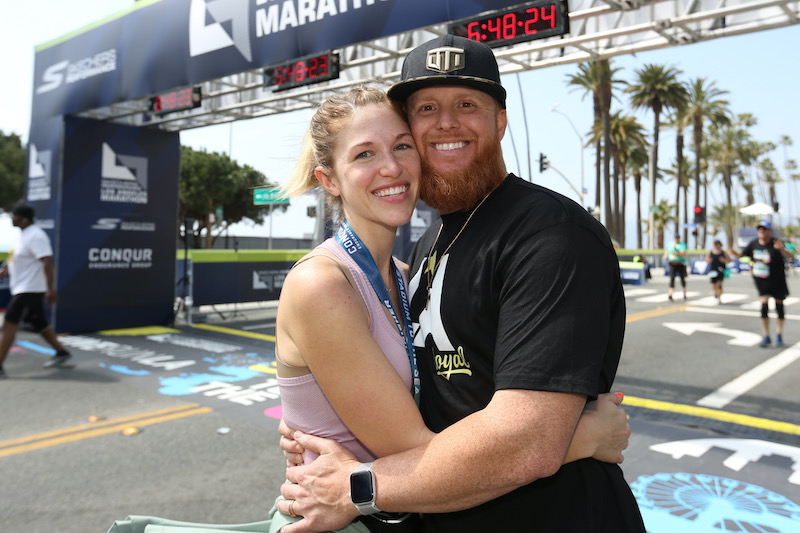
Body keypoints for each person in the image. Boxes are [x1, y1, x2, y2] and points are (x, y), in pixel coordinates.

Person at [104, 87, 630, 533]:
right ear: (328, 180)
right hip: (347, 518)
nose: (392, 167)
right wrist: (582, 437)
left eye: (401, 146)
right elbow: (421, 449)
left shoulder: (408, 275)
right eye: (364, 155)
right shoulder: (322, 284)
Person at [277, 35, 645, 533]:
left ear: (500, 121)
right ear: (330, 180)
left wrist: (357, 482)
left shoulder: (550, 233)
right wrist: (582, 437)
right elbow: (423, 417)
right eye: (426, 108)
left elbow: (526, 441)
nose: (446, 122)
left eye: (467, 104)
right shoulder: (425, 247)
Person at [0, 204, 71, 379]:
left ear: (24, 218)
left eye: (15, 216)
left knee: (9, 324)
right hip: (21, 288)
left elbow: (47, 262)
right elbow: (13, 260)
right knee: (38, 322)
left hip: (30, 289)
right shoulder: (22, 236)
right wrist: (2, 272)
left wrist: (50, 289)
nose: (12, 218)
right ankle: (61, 352)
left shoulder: (36, 235)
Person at [741, 220, 793, 347]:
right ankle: (766, 335)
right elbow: (743, 255)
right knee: (764, 307)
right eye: (759, 229)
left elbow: (790, 257)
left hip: (778, 280)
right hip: (762, 281)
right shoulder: (753, 244)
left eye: (764, 229)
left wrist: (781, 249)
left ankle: (779, 334)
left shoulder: (777, 243)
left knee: (779, 307)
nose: (761, 231)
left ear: (770, 231)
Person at [705, 240, 730, 304]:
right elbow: (707, 258)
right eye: (715, 244)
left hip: (721, 270)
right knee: (712, 285)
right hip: (713, 271)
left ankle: (719, 298)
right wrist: (709, 260)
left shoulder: (723, 252)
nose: (716, 245)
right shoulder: (711, 252)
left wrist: (724, 260)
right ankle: (716, 292)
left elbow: (729, 260)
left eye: (717, 244)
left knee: (719, 285)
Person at [664, 232, 688, 301]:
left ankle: (684, 293)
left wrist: (676, 249)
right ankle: (671, 294)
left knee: (682, 279)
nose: (676, 239)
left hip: (680, 263)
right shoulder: (670, 244)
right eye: (675, 238)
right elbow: (667, 251)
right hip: (672, 263)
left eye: (677, 238)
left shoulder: (682, 245)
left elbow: (683, 254)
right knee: (672, 279)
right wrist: (665, 256)